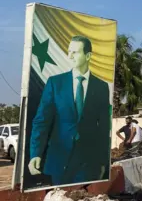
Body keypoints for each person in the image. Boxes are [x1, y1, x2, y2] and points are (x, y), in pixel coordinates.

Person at [28, 35, 110, 185]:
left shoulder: (101, 87)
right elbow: (42, 121)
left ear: (88, 56)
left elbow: (104, 128)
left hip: (88, 164)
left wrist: (103, 161)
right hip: (58, 161)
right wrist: (35, 153)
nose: (69, 55)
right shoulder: (55, 83)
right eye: (69, 51)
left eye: (75, 52)